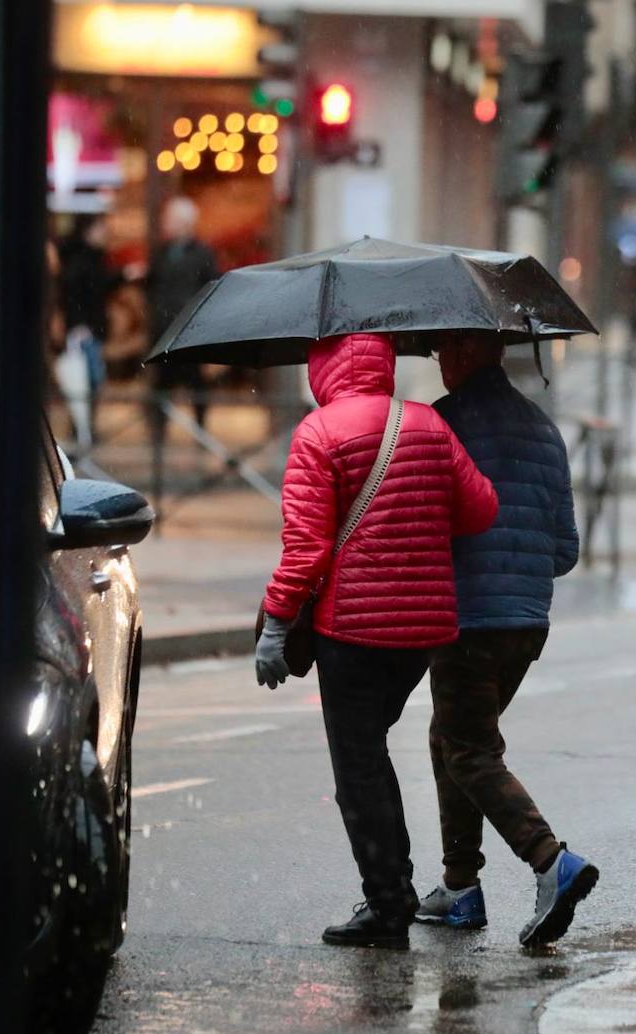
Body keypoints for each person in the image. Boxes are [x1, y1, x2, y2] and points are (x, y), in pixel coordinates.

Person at [255, 332, 498, 950]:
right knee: (372, 752)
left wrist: (277, 623)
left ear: (322, 366)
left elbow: (307, 547)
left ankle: (389, 904)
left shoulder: (319, 433)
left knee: (357, 767)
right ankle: (393, 891)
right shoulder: (424, 423)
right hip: (421, 634)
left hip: (353, 631)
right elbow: (480, 509)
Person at [414, 332, 599, 948]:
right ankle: (460, 888)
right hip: (527, 623)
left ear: (467, 356)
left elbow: (422, 522)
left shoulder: (441, 426)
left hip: (468, 617)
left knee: (469, 752)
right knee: (454, 739)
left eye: (445, 352)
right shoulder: (546, 432)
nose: (440, 361)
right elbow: (566, 551)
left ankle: (551, 861)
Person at [146, 197, 219, 441]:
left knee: (195, 384)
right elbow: (153, 285)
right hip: (164, 329)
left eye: (172, 219)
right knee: (162, 384)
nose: (167, 224)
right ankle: (158, 434)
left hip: (191, 330)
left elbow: (211, 289)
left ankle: (200, 430)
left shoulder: (203, 253)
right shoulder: (162, 252)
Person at [57, 215, 118, 446]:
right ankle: (82, 429)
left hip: (89, 328)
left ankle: (84, 429)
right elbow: (75, 294)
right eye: (101, 229)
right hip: (84, 331)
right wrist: (79, 323)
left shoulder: (92, 259)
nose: (105, 234)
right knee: (86, 380)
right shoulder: (82, 261)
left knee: (87, 380)